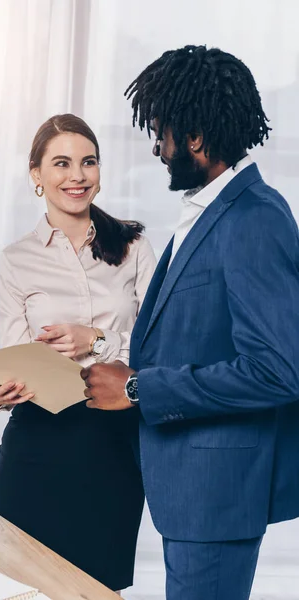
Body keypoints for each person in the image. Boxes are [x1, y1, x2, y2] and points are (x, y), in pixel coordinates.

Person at [80, 45, 299, 600]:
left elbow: (277, 369)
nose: (156, 145)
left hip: (216, 497)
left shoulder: (254, 219)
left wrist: (138, 387)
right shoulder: (210, 212)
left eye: (162, 131)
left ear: (195, 137)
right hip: (190, 491)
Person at [0, 113, 157, 592]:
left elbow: (158, 349)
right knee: (26, 587)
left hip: (112, 445)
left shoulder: (134, 248)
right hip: (36, 445)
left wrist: (98, 342)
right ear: (36, 175)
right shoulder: (13, 260)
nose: (77, 176)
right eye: (62, 163)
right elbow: (15, 354)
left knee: (98, 588)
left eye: (88, 163)